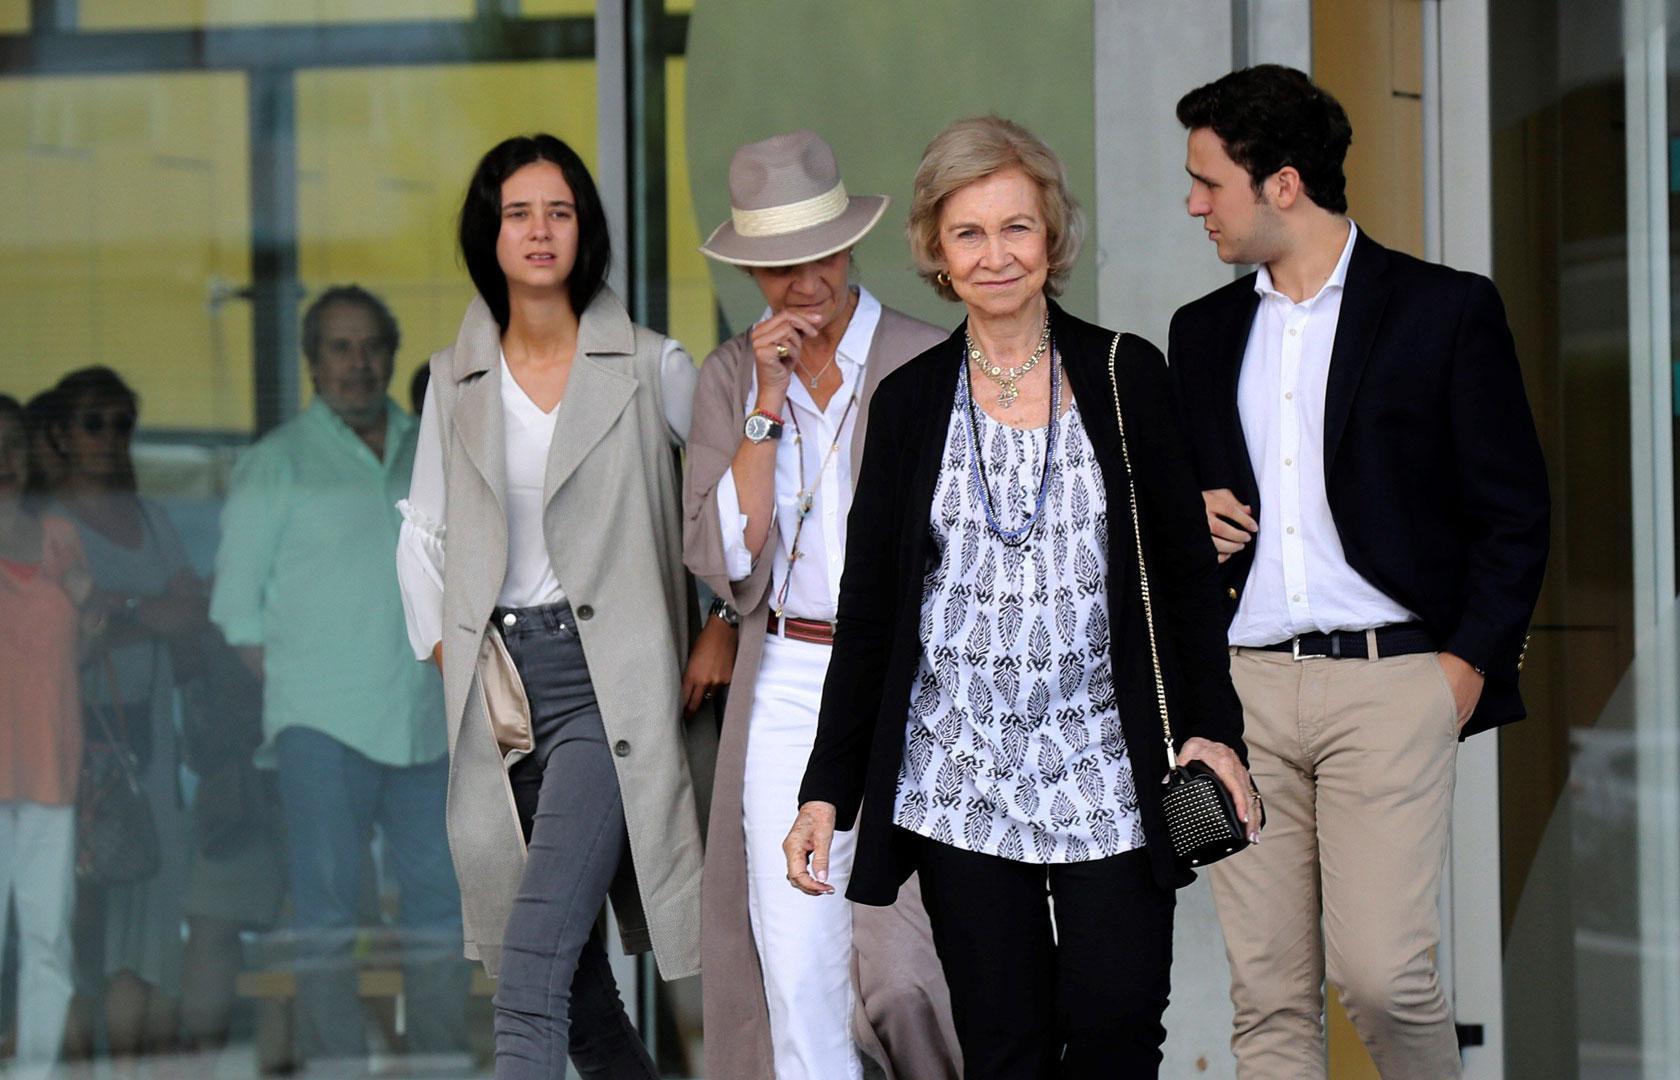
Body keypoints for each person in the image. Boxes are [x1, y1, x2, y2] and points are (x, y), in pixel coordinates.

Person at [782, 116, 1251, 1079]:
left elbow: (1182, 587)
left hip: (1108, 764)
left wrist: (1213, 730)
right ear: (937, 254)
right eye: (969, 234)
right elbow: (870, 612)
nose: (995, 255)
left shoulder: (1127, 378)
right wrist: (825, 792)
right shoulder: (910, 403)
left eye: (1017, 229)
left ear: (1052, 239)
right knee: (1004, 1046)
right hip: (960, 772)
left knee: (1119, 1023)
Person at [1168, 65, 1551, 1079]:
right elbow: (1175, 517)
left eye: (1211, 180)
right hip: (1243, 690)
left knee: (1384, 977)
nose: (1194, 202)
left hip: (1393, 686)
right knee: (1270, 1003)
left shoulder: (1445, 311)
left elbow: (1516, 514)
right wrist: (1180, 520)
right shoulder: (1199, 334)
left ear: (1282, 184)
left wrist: (1462, 669)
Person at [395, 132, 702, 1079]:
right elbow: (425, 540)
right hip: (503, 693)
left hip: (612, 693)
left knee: (527, 976)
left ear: (586, 231)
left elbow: (725, 526)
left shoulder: (654, 367)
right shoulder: (456, 379)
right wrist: (463, 675)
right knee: (578, 997)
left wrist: (722, 626)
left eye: (559, 211)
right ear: (489, 233)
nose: (539, 231)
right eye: (518, 212)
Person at [685, 130, 961, 1080]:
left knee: (909, 973)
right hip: (788, 679)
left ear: (851, 245)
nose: (805, 284)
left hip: (912, 683)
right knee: (797, 967)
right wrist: (766, 404)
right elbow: (725, 559)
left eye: (821, 255)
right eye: (776, 267)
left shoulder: (929, 359)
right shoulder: (729, 378)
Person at [210, 285, 465, 1069]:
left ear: (390, 354)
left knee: (441, 917)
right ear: (313, 363)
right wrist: (310, 685)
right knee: (323, 920)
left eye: (369, 347)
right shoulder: (277, 461)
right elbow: (236, 616)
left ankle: (440, 1065)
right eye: (339, 349)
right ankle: (335, 1069)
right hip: (320, 730)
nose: (357, 364)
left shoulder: (432, 448)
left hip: (424, 722)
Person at [46, 366, 202, 1060]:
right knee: (72, 937)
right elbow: (55, 644)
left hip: (152, 748)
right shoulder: (45, 527)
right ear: (59, 436)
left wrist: (119, 612)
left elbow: (192, 620)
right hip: (70, 749)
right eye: (92, 423)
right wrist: (148, 614)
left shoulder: (154, 520)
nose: (109, 438)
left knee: (146, 939)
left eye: (120, 424)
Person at [0, 394, 94, 1080]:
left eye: (12, 443)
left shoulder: (61, 538)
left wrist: (91, 608)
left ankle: (33, 1074)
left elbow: (81, 649)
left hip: (48, 770)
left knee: (48, 943)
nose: (3, 459)